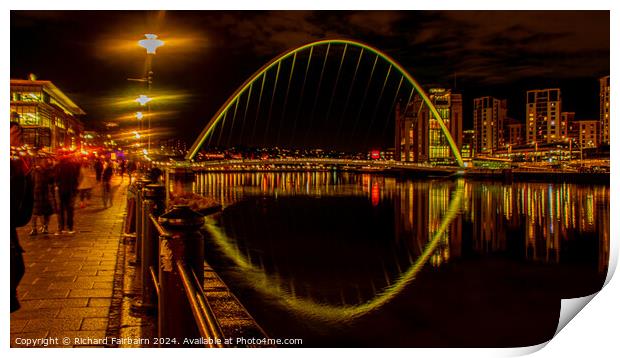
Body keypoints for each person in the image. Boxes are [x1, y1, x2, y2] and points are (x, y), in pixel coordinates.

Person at [10, 123, 34, 312]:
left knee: (17, 268)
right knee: (15, 268)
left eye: (19, 132)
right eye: (13, 133)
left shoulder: (18, 160)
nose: (18, 136)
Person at [55, 154, 80, 234]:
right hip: (70, 190)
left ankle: (61, 228)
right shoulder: (72, 166)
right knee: (70, 209)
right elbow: (75, 178)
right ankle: (70, 227)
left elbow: (56, 178)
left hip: (61, 190)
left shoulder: (58, 166)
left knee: (61, 209)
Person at [30, 157, 56, 235]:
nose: (45, 163)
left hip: (44, 194)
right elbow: (32, 181)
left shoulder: (48, 171)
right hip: (38, 194)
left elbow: (52, 181)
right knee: (36, 213)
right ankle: (36, 228)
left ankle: (43, 227)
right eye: (44, 161)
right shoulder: (36, 171)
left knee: (44, 212)